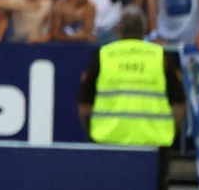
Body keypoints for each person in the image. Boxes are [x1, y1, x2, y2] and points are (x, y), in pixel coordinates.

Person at [78, 8, 182, 145]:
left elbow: (84, 105)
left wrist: (92, 132)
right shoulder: (160, 57)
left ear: (119, 29)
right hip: (154, 141)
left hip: (108, 139)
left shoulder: (103, 55)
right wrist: (170, 133)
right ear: (144, 29)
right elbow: (179, 105)